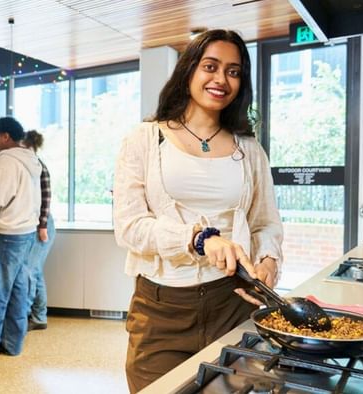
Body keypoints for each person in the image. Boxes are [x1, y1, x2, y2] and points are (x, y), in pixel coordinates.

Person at [113, 29, 283, 392]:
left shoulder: (249, 149)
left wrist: (268, 260)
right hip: (161, 311)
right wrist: (199, 238)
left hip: (232, 303)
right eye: (211, 66)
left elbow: (265, 223)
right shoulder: (144, 139)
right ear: (189, 71)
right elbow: (129, 227)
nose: (221, 79)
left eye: (234, 71)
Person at [0, 117, 42, 355]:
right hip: (26, 232)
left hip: (5, 233)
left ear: (6, 136)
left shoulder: (7, 160)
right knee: (18, 291)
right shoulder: (31, 158)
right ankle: (13, 344)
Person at [22, 130, 56, 331]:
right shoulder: (31, 164)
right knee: (34, 271)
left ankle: (35, 316)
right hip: (36, 223)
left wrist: (42, 226)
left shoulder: (37, 166)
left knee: (31, 271)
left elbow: (46, 197)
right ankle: (38, 316)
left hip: (41, 225)